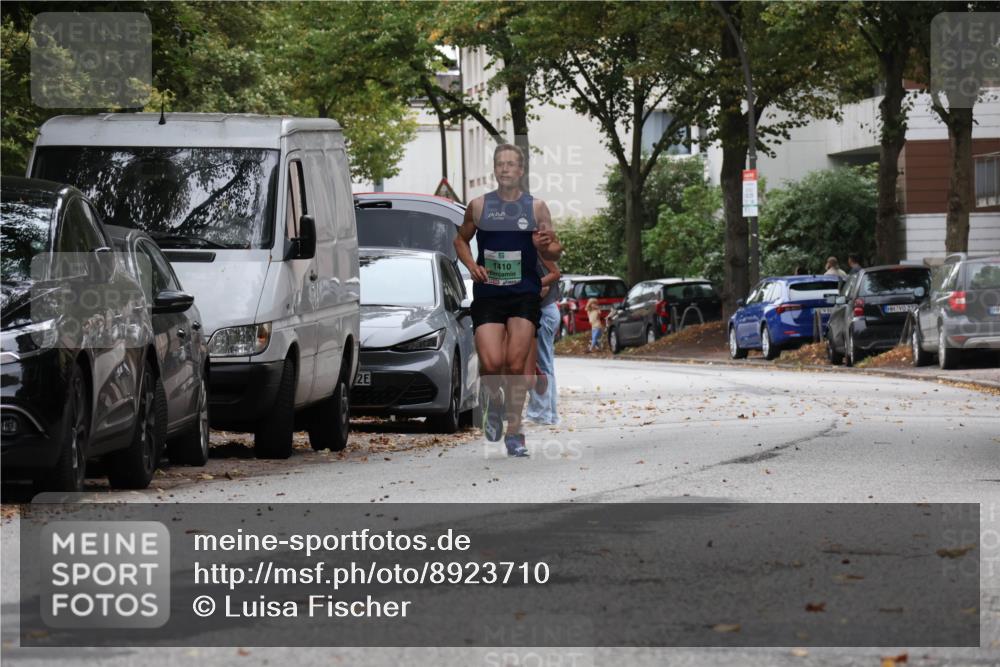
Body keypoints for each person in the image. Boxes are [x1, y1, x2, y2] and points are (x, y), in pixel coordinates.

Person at [454, 143, 561, 457]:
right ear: (494, 169)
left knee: (515, 366)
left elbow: (555, 252)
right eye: (500, 164)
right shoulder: (479, 206)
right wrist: (472, 266)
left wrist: (546, 245)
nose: (505, 169)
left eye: (511, 164)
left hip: (524, 295)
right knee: (491, 365)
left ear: (521, 170)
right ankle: (495, 404)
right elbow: (460, 239)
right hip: (489, 294)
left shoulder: (536, 208)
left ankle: (515, 433)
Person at [525, 257, 561, 426]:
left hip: (543, 311)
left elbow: (546, 285)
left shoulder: (537, 252)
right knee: (545, 365)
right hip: (548, 311)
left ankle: (541, 413)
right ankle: (550, 414)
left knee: (540, 365)